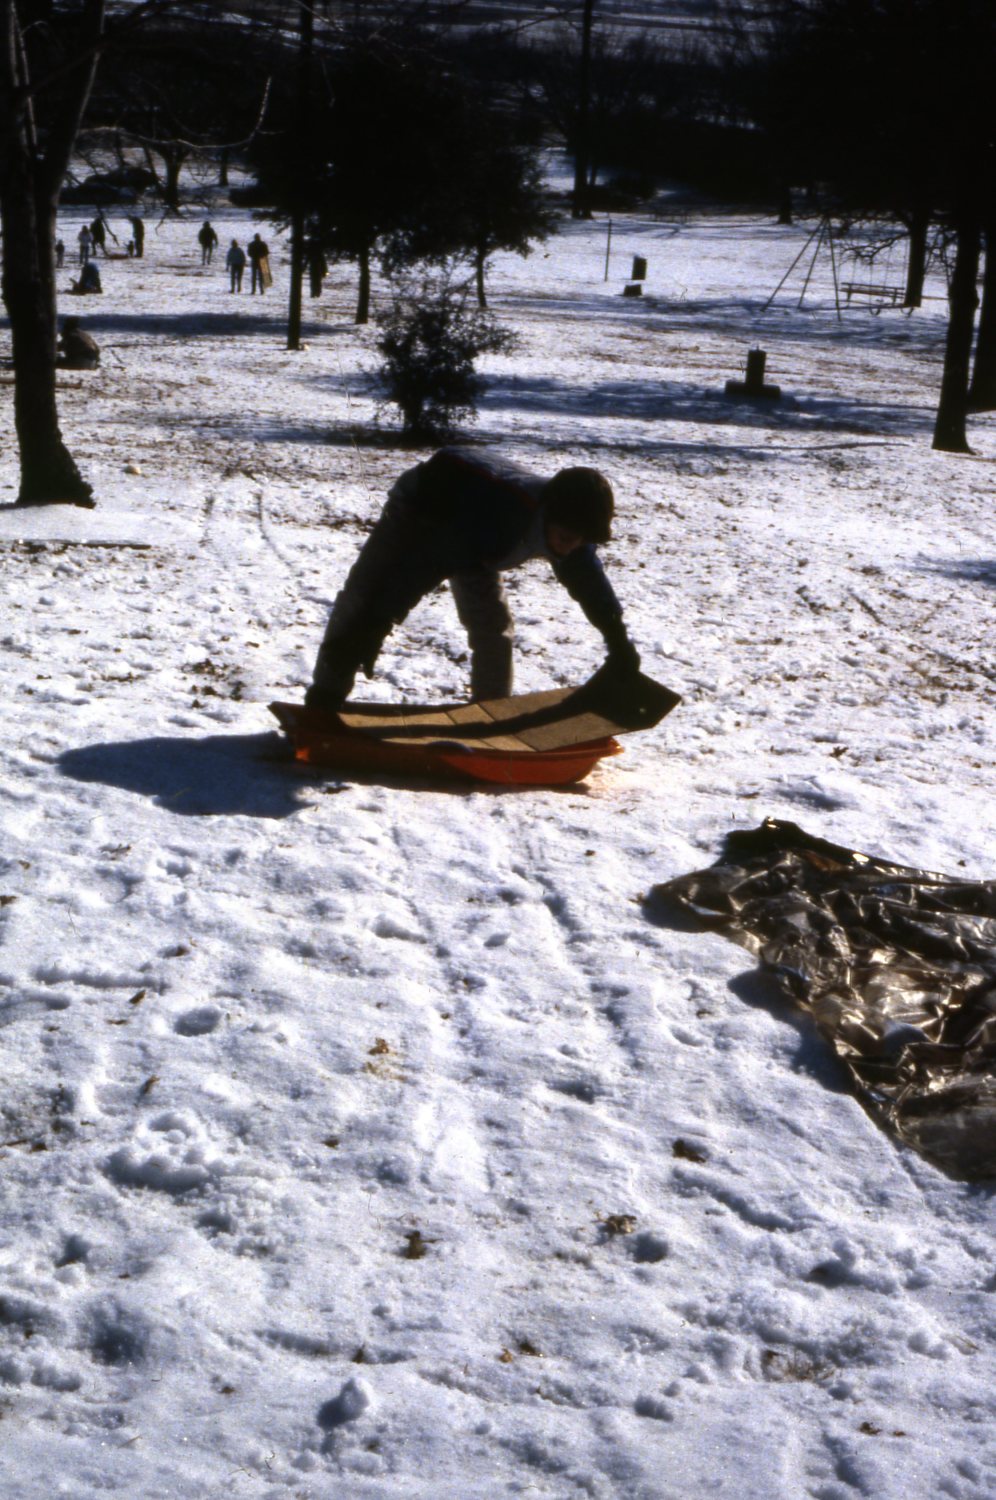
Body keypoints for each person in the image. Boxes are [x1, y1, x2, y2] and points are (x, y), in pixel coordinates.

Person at [305, 447, 640, 712]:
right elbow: (420, 568)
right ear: (546, 514)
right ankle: (325, 697)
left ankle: (490, 712)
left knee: (493, 624)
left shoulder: (573, 528)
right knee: (363, 599)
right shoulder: (498, 517)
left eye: (582, 539)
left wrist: (618, 641)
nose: (573, 546)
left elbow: (591, 587)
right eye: (567, 536)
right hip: (425, 506)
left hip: (480, 532)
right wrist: (377, 623)